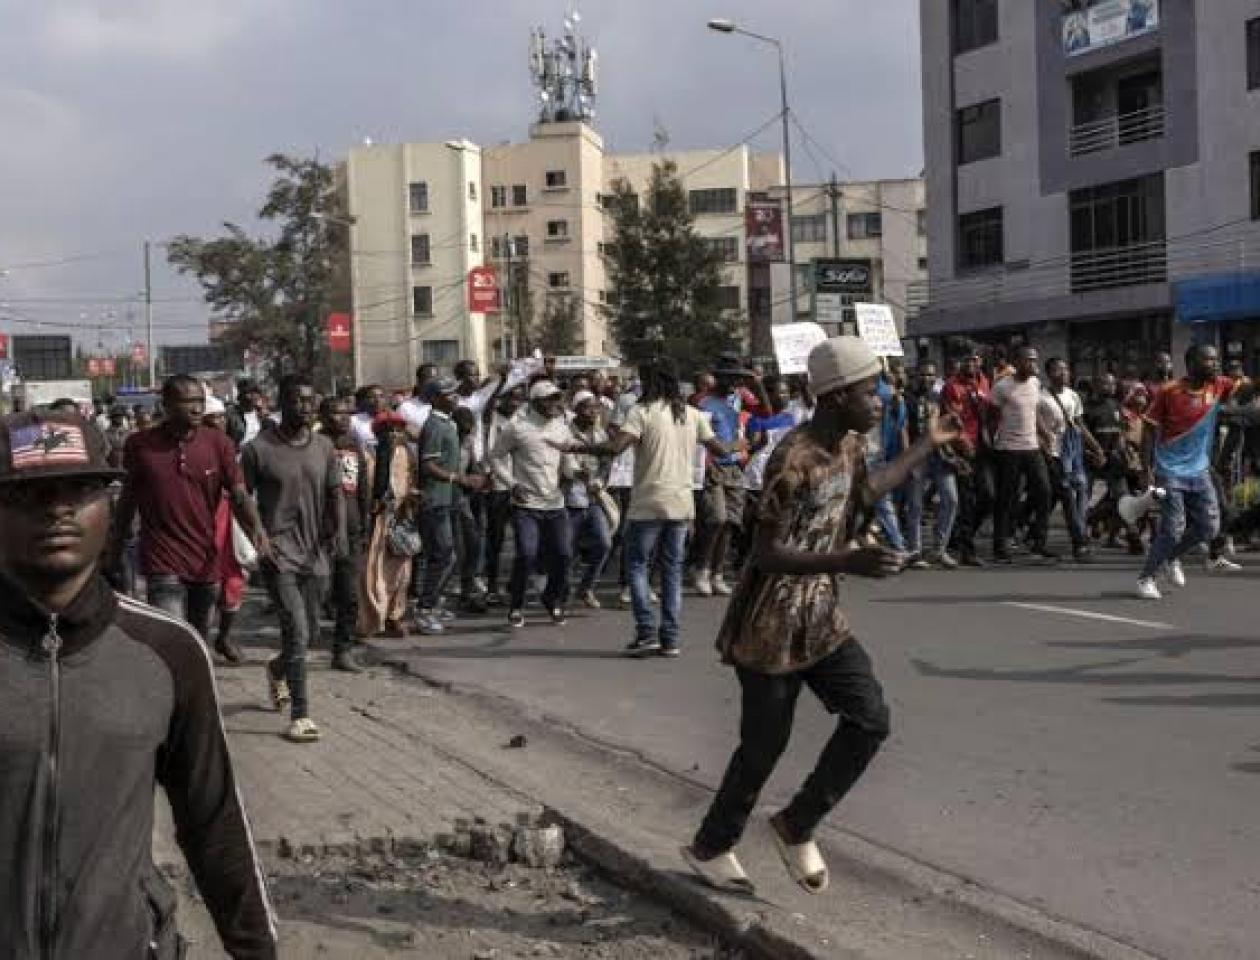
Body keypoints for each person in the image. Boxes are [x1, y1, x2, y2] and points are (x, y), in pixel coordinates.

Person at [682, 337, 958, 895]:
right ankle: (712, 846)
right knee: (763, 747)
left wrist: (927, 444)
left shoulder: (850, 446)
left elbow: (865, 493)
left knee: (870, 718)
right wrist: (846, 560)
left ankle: (797, 823)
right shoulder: (792, 459)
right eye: (868, 389)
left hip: (821, 619)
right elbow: (762, 554)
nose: (880, 398)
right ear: (835, 397)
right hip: (769, 627)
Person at [0, 410, 277, 957]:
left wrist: (256, 950)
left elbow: (213, 820)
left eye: (79, 489)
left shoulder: (168, 651)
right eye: (28, 493)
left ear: (109, 505)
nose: (57, 509)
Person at [570, 358, 729, 657]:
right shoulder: (692, 415)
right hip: (681, 503)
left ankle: (646, 632)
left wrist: (574, 447)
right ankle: (670, 638)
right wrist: (745, 445)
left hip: (648, 503)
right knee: (671, 571)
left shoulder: (640, 412)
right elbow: (720, 450)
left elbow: (614, 448)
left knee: (637, 566)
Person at [108, 375, 269, 646]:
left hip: (205, 560)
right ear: (167, 405)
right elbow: (128, 499)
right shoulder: (140, 445)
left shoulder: (219, 444)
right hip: (162, 560)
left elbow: (239, 495)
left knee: (198, 639)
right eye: (187, 402)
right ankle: (170, 687)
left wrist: (257, 531)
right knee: (171, 639)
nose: (196, 409)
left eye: (199, 402)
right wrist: (114, 547)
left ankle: (195, 687)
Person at [242, 375, 346, 743]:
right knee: (297, 630)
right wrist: (259, 539)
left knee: (310, 634)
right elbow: (241, 498)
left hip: (315, 553)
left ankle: (277, 667)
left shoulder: (324, 447)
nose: (306, 406)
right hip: (279, 554)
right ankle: (301, 714)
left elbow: (335, 495)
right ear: (282, 402)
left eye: (310, 400)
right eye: (298, 400)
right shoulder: (258, 449)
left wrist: (338, 536)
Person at [1136, 345, 1247, 599]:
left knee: (1209, 527)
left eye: (1216, 359)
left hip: (1199, 469)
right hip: (1169, 469)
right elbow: (1150, 430)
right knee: (1173, 527)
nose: (1215, 364)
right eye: (1209, 359)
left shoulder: (1219, 384)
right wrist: (1146, 469)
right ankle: (1146, 578)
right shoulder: (1169, 392)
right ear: (1191, 363)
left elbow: (1247, 390)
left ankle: (1171, 557)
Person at [490, 380, 575, 627]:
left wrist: (571, 476)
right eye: (549, 399)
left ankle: (552, 598)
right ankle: (516, 605)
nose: (554, 404)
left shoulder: (561, 427)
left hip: (555, 504)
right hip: (526, 505)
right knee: (526, 555)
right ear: (536, 402)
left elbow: (566, 460)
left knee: (563, 554)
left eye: (557, 399)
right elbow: (495, 457)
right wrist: (512, 484)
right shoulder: (517, 428)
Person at [414, 378, 481, 634]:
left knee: (450, 555)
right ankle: (424, 609)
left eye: (455, 393)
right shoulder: (433, 426)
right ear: (435, 398)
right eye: (448, 394)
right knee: (440, 554)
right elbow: (428, 465)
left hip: (449, 499)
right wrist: (458, 478)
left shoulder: (449, 423)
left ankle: (434, 602)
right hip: (434, 500)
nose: (454, 397)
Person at [693, 357, 754, 596]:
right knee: (715, 519)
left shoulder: (737, 400)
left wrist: (754, 383)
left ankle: (718, 573)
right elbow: (701, 439)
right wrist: (729, 448)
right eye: (732, 377)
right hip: (714, 466)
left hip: (735, 467)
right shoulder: (704, 404)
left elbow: (767, 411)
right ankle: (702, 570)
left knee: (730, 522)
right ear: (719, 377)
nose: (736, 382)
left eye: (739, 378)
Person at [991, 345, 1055, 562]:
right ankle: (1000, 545)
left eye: (1035, 360)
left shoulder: (1035, 383)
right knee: (1006, 498)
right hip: (1009, 450)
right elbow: (990, 417)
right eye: (1029, 360)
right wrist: (990, 442)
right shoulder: (1002, 387)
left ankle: (1038, 542)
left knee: (1045, 492)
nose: (1034, 364)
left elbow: (1034, 410)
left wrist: (1044, 433)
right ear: (1017, 362)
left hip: (1032, 447)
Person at [320, 395, 371, 670]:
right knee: (316, 592)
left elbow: (362, 488)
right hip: (318, 532)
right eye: (336, 414)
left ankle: (343, 650)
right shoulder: (315, 445)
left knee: (350, 595)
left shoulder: (353, 447)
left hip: (350, 531)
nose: (343, 418)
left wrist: (364, 524)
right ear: (323, 416)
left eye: (346, 414)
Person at [358, 411, 418, 637]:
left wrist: (412, 498)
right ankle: (375, 619)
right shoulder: (370, 455)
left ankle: (396, 615)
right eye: (388, 431)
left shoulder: (406, 454)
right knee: (374, 573)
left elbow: (410, 482)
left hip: (401, 519)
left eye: (397, 430)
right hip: (377, 521)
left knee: (402, 573)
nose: (393, 435)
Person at [1038, 358, 1105, 562]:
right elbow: (1036, 428)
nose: (1064, 373)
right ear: (1049, 374)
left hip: (1074, 452)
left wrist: (1096, 447)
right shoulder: (1041, 398)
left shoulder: (1073, 395)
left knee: (1080, 493)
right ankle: (1079, 544)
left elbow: (1079, 425)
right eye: (1058, 370)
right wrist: (1045, 449)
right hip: (1054, 454)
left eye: (1066, 369)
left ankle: (1034, 532)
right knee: (1067, 496)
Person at [202, 395, 249, 664]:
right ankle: (200, 643)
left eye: (221, 418)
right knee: (203, 588)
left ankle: (224, 637)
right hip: (198, 527)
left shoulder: (231, 449)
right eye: (212, 419)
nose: (218, 423)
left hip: (226, 524)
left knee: (233, 584)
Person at [940, 349, 992, 566]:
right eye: (967, 359)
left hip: (984, 445)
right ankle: (967, 550)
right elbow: (952, 419)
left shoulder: (984, 382)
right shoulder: (952, 387)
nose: (972, 363)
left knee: (989, 495)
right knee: (967, 499)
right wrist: (963, 443)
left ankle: (959, 535)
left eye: (975, 359)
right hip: (964, 447)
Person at [904, 362, 959, 568]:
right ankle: (914, 551)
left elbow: (949, 422)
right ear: (916, 376)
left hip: (940, 455)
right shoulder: (907, 399)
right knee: (915, 505)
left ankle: (939, 548)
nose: (927, 378)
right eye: (924, 374)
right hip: (918, 456)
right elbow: (903, 430)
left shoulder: (939, 398)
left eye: (931, 375)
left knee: (951, 498)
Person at [564, 391, 613, 609]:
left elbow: (606, 462)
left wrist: (600, 482)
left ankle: (586, 588)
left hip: (593, 497)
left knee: (603, 543)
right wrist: (575, 473)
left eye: (596, 408)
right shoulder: (564, 433)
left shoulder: (600, 434)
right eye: (587, 408)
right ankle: (560, 590)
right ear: (575, 410)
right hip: (569, 499)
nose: (593, 412)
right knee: (566, 549)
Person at [482, 385, 526, 605]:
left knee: (524, 540)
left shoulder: (523, 419)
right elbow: (490, 453)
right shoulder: (494, 421)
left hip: (522, 486)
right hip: (499, 487)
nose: (515, 403)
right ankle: (492, 586)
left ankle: (515, 584)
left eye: (519, 399)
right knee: (495, 539)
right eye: (511, 398)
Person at [351, 384, 388, 451]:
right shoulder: (354, 420)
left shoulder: (394, 418)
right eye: (372, 397)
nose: (377, 400)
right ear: (365, 400)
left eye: (381, 396)